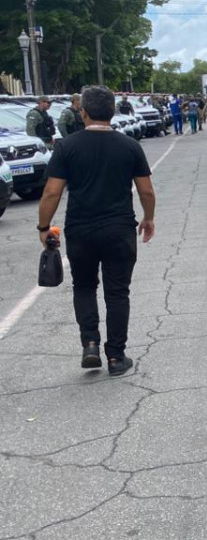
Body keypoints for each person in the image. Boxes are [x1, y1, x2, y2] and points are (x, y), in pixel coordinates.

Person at [37, 86, 155, 376]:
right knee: (118, 292)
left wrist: (44, 227)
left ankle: (90, 343)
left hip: (81, 230)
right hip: (119, 229)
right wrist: (148, 218)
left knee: (85, 286)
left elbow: (52, 192)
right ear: (113, 112)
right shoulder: (129, 146)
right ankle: (116, 356)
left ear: (83, 112)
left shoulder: (67, 146)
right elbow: (146, 190)